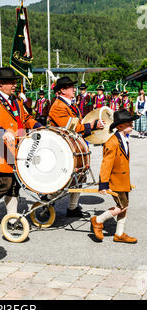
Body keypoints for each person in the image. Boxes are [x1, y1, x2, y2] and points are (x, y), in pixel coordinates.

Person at [0, 67, 43, 232]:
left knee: (15, 185)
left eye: (14, 82)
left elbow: (25, 118)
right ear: (0, 83)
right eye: (11, 82)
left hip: (17, 148)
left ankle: (12, 217)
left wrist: (40, 127)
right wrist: (3, 132)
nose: (14, 85)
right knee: (4, 184)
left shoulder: (16, 100)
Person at [48, 76, 104, 218]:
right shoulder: (58, 106)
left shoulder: (68, 104)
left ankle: (72, 208)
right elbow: (69, 128)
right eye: (70, 87)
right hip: (64, 148)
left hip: (74, 146)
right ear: (62, 91)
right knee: (67, 178)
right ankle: (48, 198)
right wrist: (91, 125)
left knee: (79, 176)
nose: (74, 89)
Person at [90, 109, 139, 243]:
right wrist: (103, 184)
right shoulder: (112, 142)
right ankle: (98, 220)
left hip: (123, 180)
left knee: (125, 206)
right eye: (128, 123)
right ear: (120, 126)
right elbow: (106, 164)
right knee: (122, 206)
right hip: (115, 180)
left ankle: (119, 233)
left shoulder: (124, 139)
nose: (132, 124)